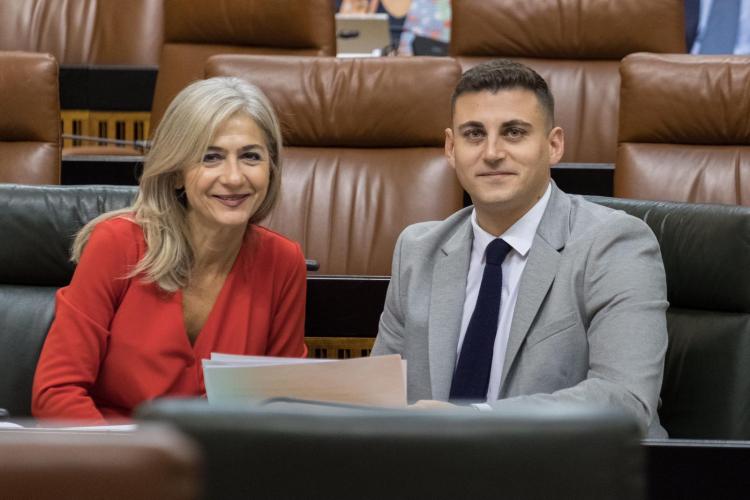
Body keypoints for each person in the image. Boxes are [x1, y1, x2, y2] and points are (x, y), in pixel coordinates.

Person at [372, 59, 669, 437]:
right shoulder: (418, 250)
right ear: (450, 148)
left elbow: (627, 402)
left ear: (553, 145)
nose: (492, 152)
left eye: (513, 133)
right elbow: (381, 400)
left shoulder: (615, 244)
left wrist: (474, 420)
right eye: (474, 134)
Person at [32, 77, 308, 422]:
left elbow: (281, 405)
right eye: (211, 157)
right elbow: (55, 393)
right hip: (112, 461)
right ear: (177, 172)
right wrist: (130, 467)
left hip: (223, 467)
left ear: (271, 168)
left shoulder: (282, 262)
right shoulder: (117, 244)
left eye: (251, 157)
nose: (235, 177)